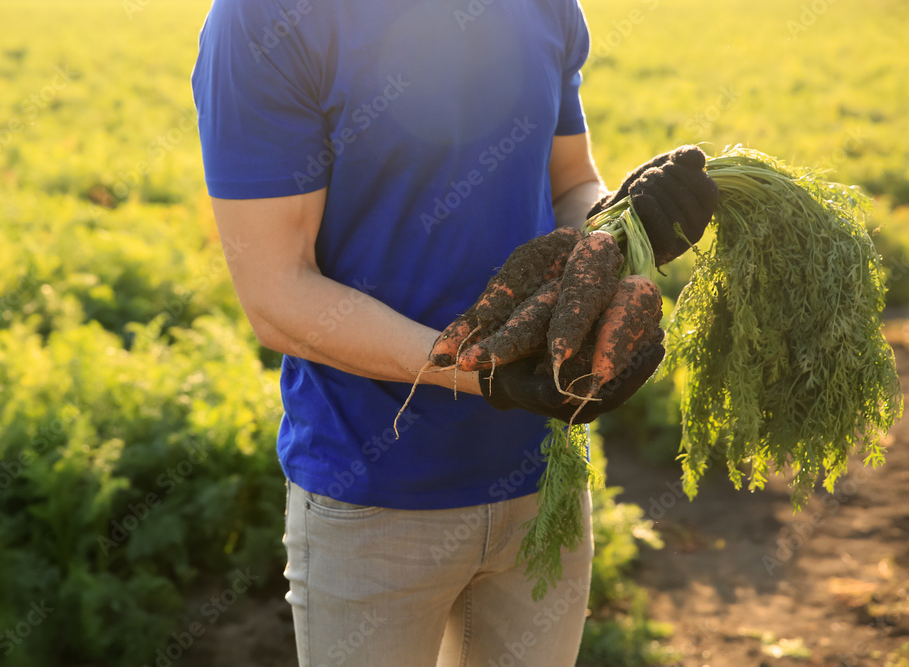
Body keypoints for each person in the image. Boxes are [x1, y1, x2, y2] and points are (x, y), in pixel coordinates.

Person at [191, 0, 717, 664]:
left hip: (542, 478)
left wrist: (626, 227)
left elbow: (571, 183)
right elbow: (277, 292)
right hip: (372, 496)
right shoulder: (264, 17)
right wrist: (486, 372)